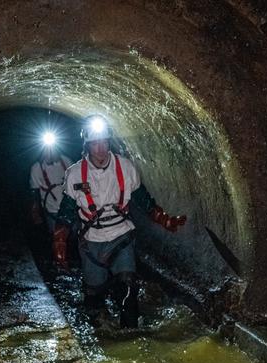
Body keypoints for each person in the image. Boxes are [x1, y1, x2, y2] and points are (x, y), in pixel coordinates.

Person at [52, 115, 186, 328]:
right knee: (94, 294)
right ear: (87, 145)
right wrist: (60, 241)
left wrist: (163, 219)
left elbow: (143, 199)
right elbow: (67, 211)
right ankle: (100, 330)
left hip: (121, 235)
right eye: (95, 143)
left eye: (104, 142)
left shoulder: (125, 167)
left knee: (128, 287)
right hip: (91, 240)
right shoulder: (75, 174)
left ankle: (130, 335)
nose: (101, 148)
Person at [29, 140, 72, 233]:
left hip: (70, 210)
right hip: (53, 212)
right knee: (58, 242)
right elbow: (34, 193)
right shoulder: (37, 168)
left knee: (75, 239)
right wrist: (35, 212)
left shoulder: (66, 161)